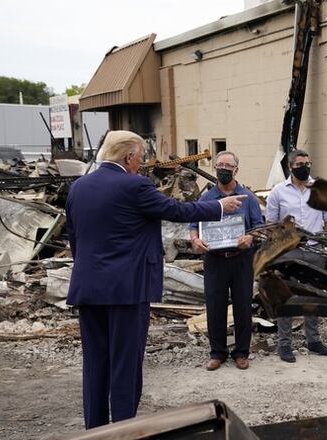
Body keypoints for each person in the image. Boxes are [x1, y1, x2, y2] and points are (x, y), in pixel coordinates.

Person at [65, 130, 246, 429]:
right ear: (128, 157)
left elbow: (75, 239)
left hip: (89, 288)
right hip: (127, 290)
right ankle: (124, 431)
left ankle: (94, 432)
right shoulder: (134, 185)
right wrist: (218, 207)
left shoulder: (79, 187)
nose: (142, 163)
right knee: (125, 365)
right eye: (140, 157)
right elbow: (175, 210)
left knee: (95, 365)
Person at [190, 151, 263, 371]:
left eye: (228, 166)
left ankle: (241, 352)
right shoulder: (206, 198)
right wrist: (195, 239)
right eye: (219, 165)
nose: (223, 169)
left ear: (236, 170)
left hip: (241, 259)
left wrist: (250, 237)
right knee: (215, 306)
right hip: (215, 259)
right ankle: (217, 353)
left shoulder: (248, 198)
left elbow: (259, 226)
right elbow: (194, 225)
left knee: (242, 306)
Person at [265, 149, 327, 363]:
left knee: (312, 297)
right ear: (291, 167)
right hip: (288, 253)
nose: (304, 167)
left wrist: (326, 246)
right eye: (300, 164)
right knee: (286, 297)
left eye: (307, 163)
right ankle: (285, 344)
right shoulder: (278, 192)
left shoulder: (319, 190)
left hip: (315, 251)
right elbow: (271, 226)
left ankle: (313, 341)